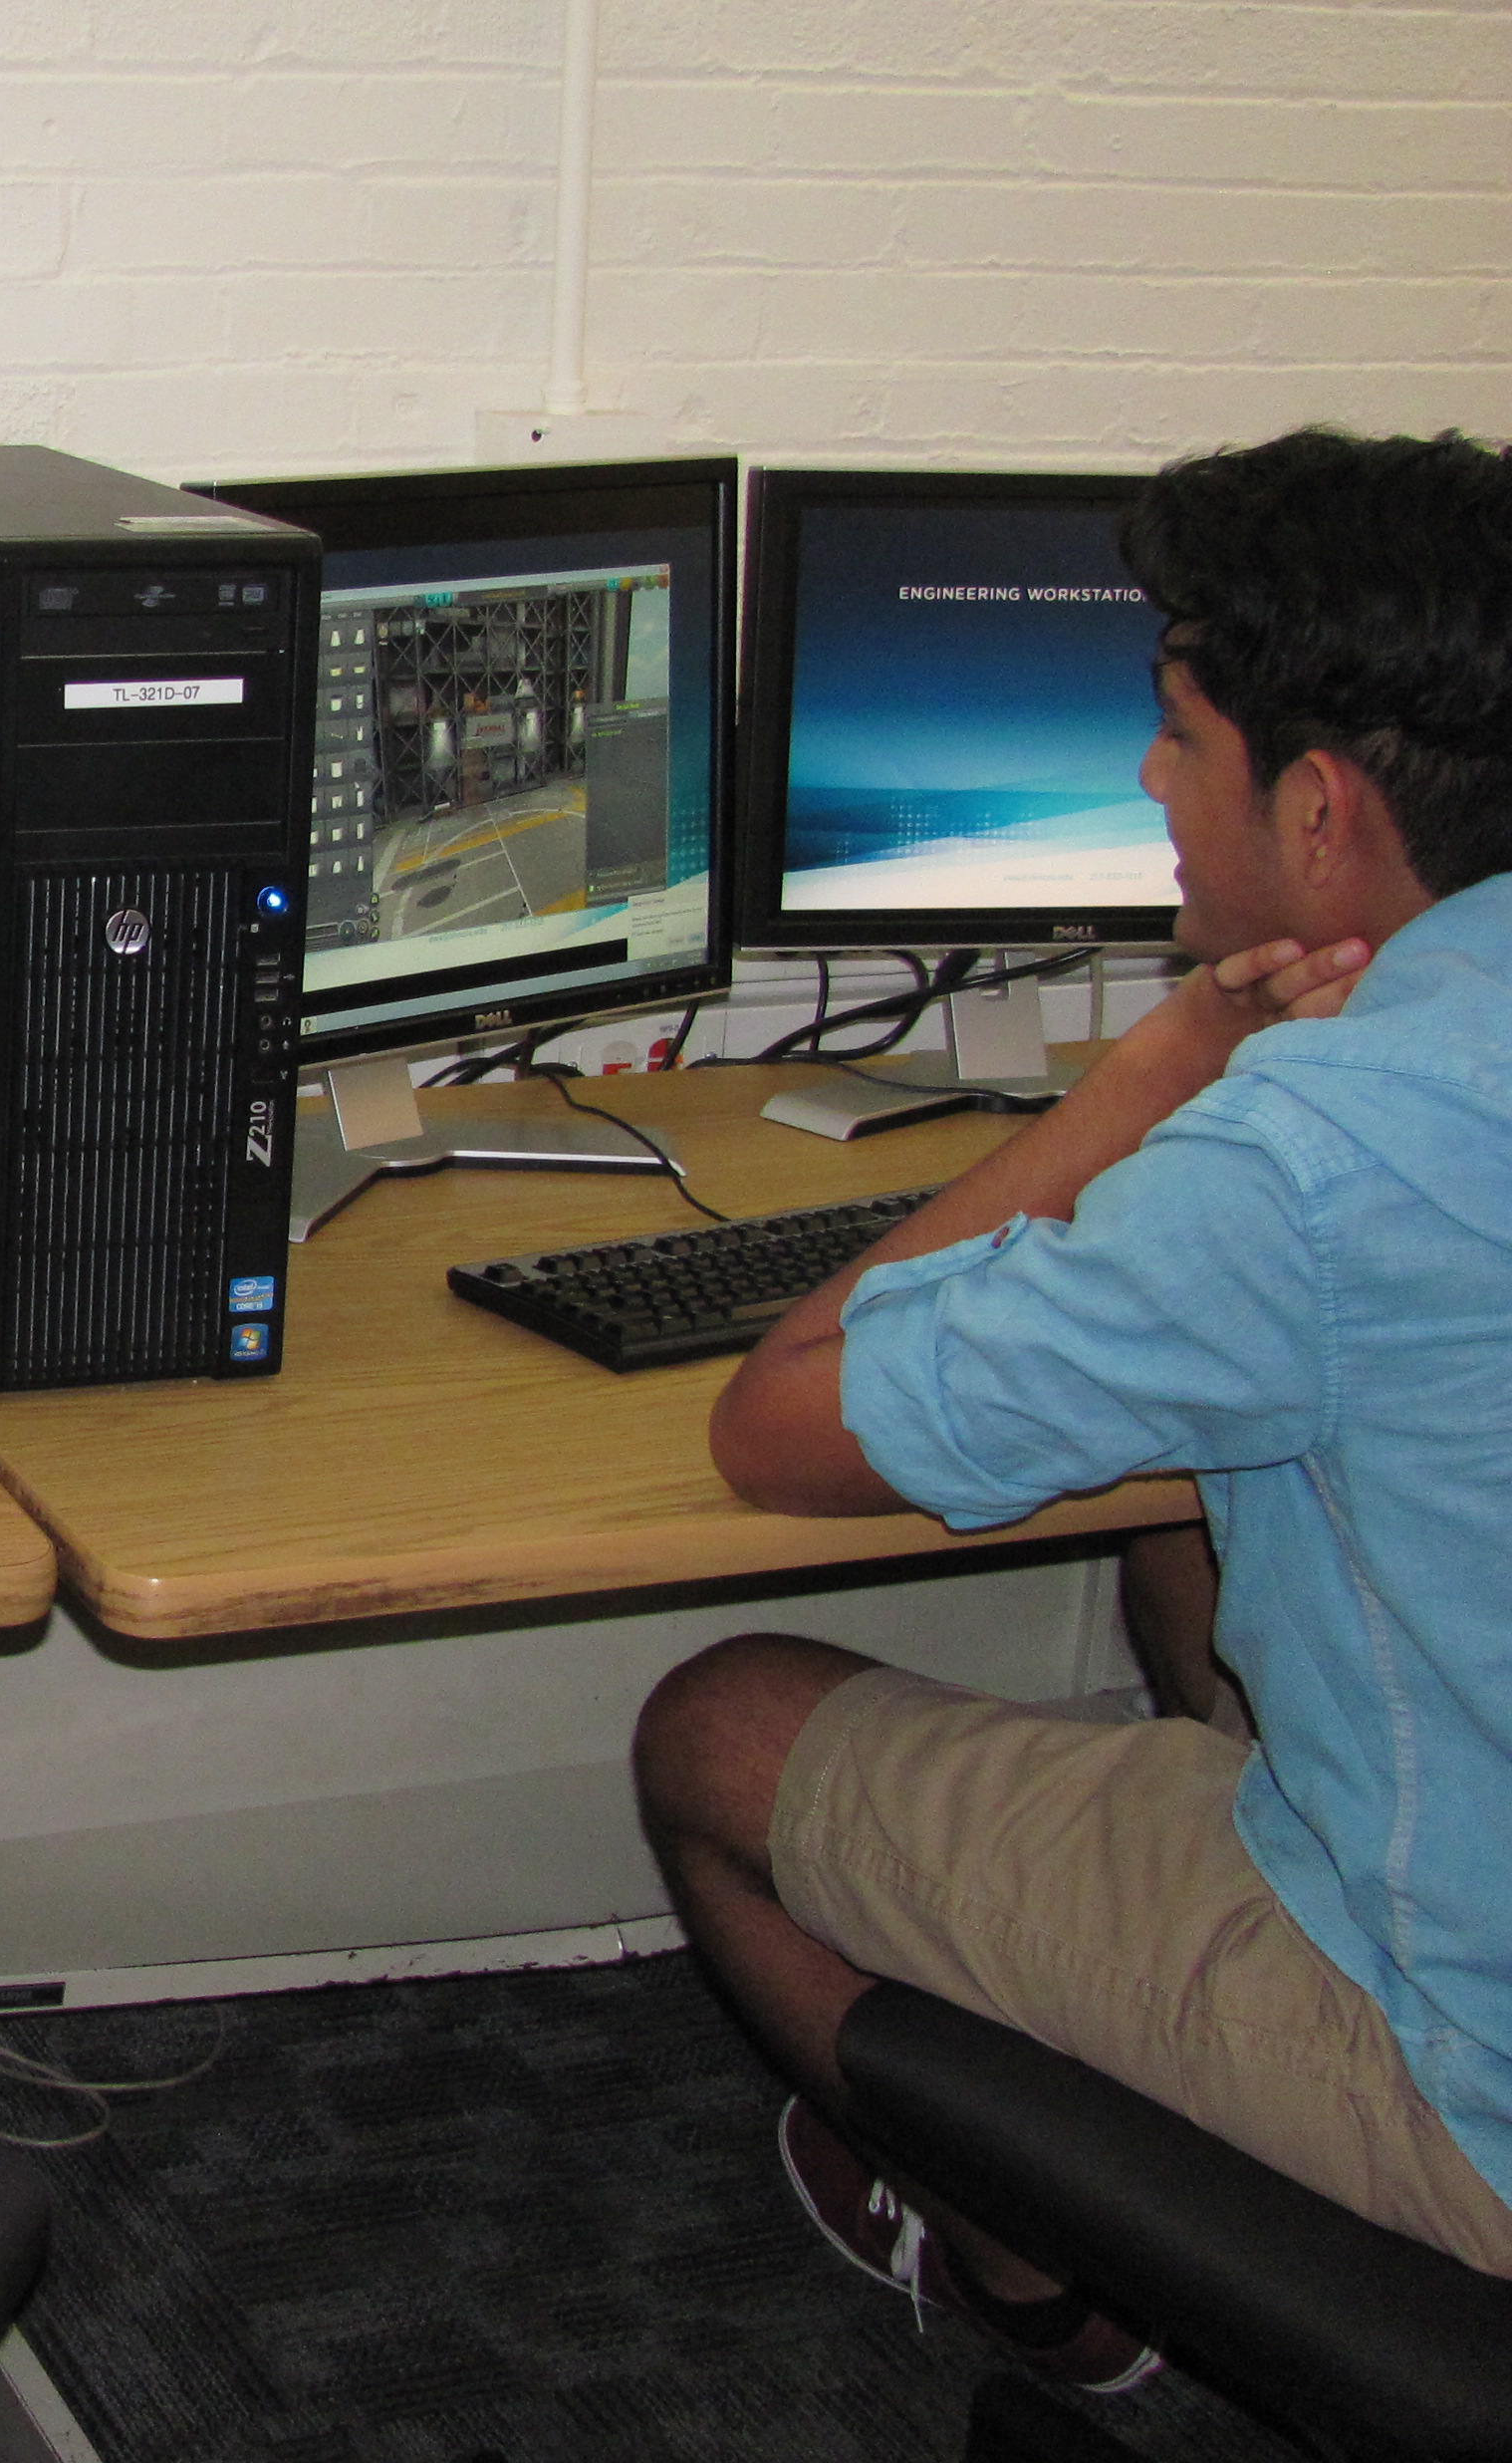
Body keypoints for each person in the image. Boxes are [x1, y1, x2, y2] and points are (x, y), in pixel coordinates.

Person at [631, 425, 1512, 2393]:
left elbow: (777, 1429)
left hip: (1478, 2071)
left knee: (716, 1726)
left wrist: (1166, 1060)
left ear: (1313, 808)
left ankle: (1025, 2270)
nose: (1142, 780)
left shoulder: (1314, 1154)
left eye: (1175, 735)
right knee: (1180, 1506)